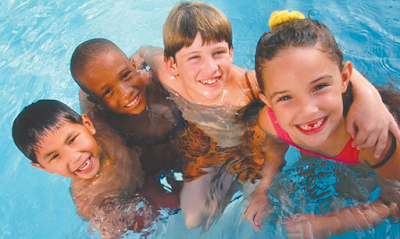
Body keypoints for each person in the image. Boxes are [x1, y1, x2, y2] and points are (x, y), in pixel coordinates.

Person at [133, 1, 400, 232]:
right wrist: (137, 56)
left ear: (231, 52)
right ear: (173, 64)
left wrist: (370, 98)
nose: (210, 68)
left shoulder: (251, 85)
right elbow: (149, 52)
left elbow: (394, 203)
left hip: (271, 149)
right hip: (212, 147)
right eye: (194, 58)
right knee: (196, 219)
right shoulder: (168, 75)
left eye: (218, 53)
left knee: (340, 196)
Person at [254, 10, 400, 238]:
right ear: (268, 102)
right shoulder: (270, 122)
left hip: (361, 162)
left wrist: (335, 223)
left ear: (344, 79)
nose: (308, 111)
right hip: (326, 151)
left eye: (319, 87)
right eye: (285, 97)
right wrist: (265, 184)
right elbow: (274, 143)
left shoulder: (374, 139)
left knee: (343, 194)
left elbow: (395, 203)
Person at [12, 100, 181, 239]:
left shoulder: (103, 127)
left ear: (87, 124)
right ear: (43, 168)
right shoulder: (88, 196)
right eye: (55, 157)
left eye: (72, 140)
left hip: (146, 161)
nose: (74, 157)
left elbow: (89, 88)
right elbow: (108, 231)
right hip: (137, 194)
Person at [70, 38, 181, 177]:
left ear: (134, 65)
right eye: (107, 91)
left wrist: (146, 54)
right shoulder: (102, 121)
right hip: (147, 156)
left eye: (125, 75)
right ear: (96, 101)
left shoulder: (155, 81)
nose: (126, 93)